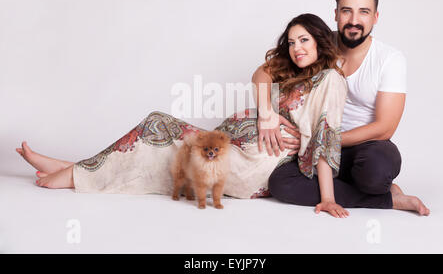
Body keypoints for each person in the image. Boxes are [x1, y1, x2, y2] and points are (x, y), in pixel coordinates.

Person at [16, 13, 350, 217]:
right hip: (234, 149)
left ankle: (71, 175)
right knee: (161, 156)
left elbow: (326, 137)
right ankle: (72, 169)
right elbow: (261, 73)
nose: (296, 48)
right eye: (291, 42)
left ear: (320, 40)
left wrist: (328, 198)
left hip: (252, 166)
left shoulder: (331, 80)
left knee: (156, 126)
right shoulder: (292, 71)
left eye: (304, 40)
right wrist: (266, 114)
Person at [256, 0, 430, 216]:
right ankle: (389, 199)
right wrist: (266, 115)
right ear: (336, 14)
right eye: (347, 11)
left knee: (376, 173)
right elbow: (262, 74)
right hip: (312, 149)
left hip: (361, 147)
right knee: (280, 184)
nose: (354, 21)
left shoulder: (390, 59)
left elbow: (384, 128)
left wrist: (319, 140)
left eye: (364, 12)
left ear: (375, 17)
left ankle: (375, 188)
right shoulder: (318, 44)